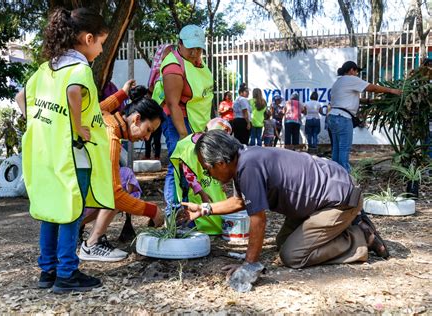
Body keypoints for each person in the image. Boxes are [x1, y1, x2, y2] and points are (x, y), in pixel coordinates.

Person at [183, 130, 389, 292]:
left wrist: (249, 264)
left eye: (207, 168)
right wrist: (204, 209)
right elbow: (239, 202)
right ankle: (349, 226)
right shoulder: (245, 158)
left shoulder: (248, 167)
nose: (207, 173)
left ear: (220, 163)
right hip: (324, 196)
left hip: (339, 200)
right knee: (283, 242)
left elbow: (258, 220)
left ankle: (359, 236)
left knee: (292, 256)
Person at [15, 8, 114, 293]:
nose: (100, 49)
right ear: (88, 38)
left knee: (50, 212)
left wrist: (36, 122)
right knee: (71, 212)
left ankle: (47, 271)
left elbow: (22, 97)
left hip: (46, 154)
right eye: (101, 43)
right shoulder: (79, 69)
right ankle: (67, 273)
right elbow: (73, 92)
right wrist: (77, 124)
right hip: (73, 157)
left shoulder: (45, 69)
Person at [79, 85, 166, 261]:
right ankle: (92, 244)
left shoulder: (104, 117)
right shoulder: (112, 138)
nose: (147, 138)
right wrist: (152, 210)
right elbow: (114, 195)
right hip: (76, 201)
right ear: (136, 119)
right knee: (122, 187)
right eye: (148, 130)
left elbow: (102, 106)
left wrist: (122, 93)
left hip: (69, 190)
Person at [152, 24, 213, 215]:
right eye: (191, 48)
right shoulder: (173, 66)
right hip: (177, 121)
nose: (195, 53)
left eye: (198, 48)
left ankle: (187, 211)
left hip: (195, 121)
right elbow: (173, 104)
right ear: (180, 44)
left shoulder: (197, 63)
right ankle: (173, 213)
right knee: (177, 164)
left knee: (189, 165)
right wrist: (184, 136)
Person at [328, 61, 401, 172]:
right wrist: (391, 90)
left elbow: (346, 98)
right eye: (356, 71)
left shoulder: (338, 82)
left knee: (336, 149)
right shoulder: (351, 79)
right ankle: (345, 177)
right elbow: (372, 88)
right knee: (344, 149)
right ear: (352, 70)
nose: (357, 73)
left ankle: (333, 173)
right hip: (343, 118)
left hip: (333, 117)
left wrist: (368, 101)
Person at [170, 118, 232, 234]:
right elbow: (189, 174)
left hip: (201, 180)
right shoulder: (191, 147)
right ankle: (185, 226)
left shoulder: (210, 144)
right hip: (187, 181)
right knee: (186, 202)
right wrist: (202, 193)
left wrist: (222, 181)